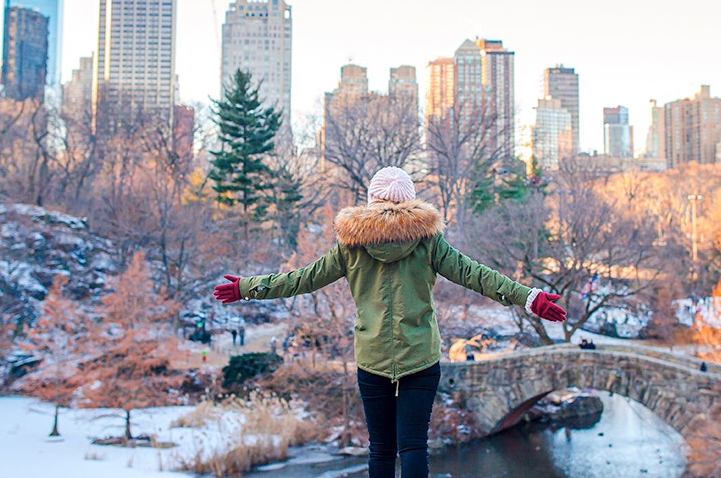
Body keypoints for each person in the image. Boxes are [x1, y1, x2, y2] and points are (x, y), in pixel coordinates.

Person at [214, 166, 566, 478]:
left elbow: (300, 279)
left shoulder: (350, 246)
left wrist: (248, 287)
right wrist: (528, 296)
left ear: (371, 201)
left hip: (373, 358)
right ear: (410, 202)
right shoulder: (429, 243)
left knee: (381, 448)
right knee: (413, 446)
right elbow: (477, 275)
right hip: (421, 356)